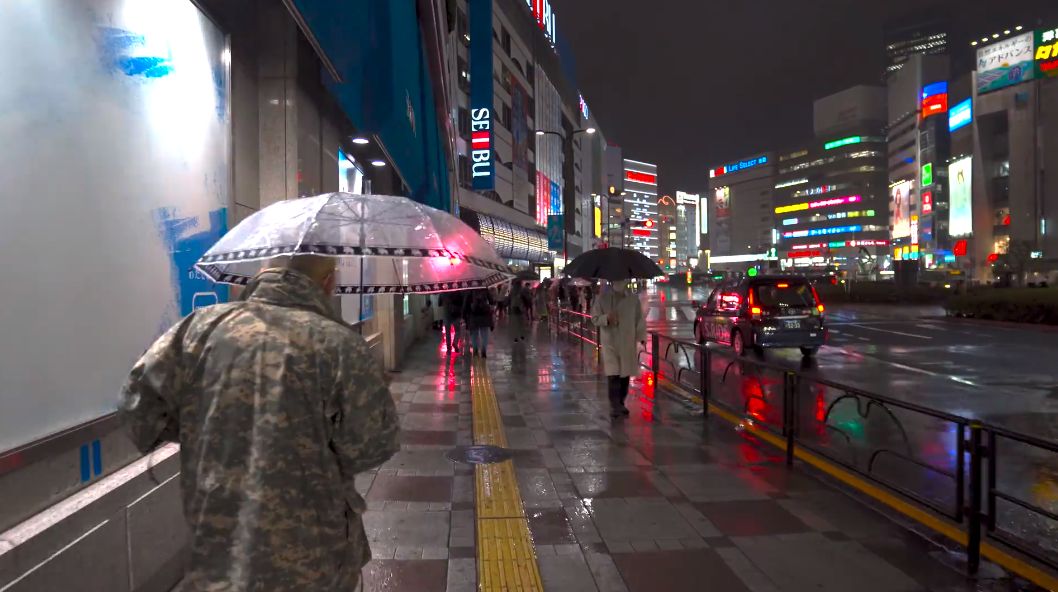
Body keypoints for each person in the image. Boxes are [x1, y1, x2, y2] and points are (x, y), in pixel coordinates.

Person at [120, 255, 399, 591]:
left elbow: (136, 409)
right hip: (314, 558)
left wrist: (203, 426)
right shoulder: (340, 345)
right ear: (327, 282)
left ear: (263, 273)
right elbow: (371, 446)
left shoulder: (198, 329)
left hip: (220, 552)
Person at [591, 279, 647, 418]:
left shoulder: (633, 300)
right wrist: (606, 318)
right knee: (613, 374)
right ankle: (615, 405)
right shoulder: (602, 299)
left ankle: (621, 402)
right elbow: (595, 318)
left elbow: (639, 320)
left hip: (627, 342)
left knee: (625, 374)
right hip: (610, 342)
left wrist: (641, 336)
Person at [463, 288, 495, 357]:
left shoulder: (470, 290)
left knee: (474, 334)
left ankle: (475, 350)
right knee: (484, 334)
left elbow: (465, 305)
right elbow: (492, 301)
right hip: (485, 316)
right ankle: (483, 350)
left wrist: (464, 316)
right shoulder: (485, 290)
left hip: (473, 316)